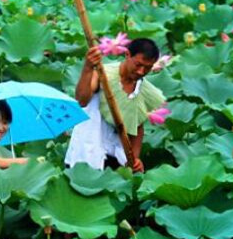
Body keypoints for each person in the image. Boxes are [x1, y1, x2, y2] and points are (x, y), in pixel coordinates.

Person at [65, 38, 165, 172]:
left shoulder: (143, 89)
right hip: (88, 151)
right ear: (127, 55)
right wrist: (88, 68)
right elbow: (82, 100)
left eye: (147, 68)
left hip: (117, 157)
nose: (141, 71)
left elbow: (138, 126)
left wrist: (135, 159)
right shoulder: (102, 74)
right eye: (138, 65)